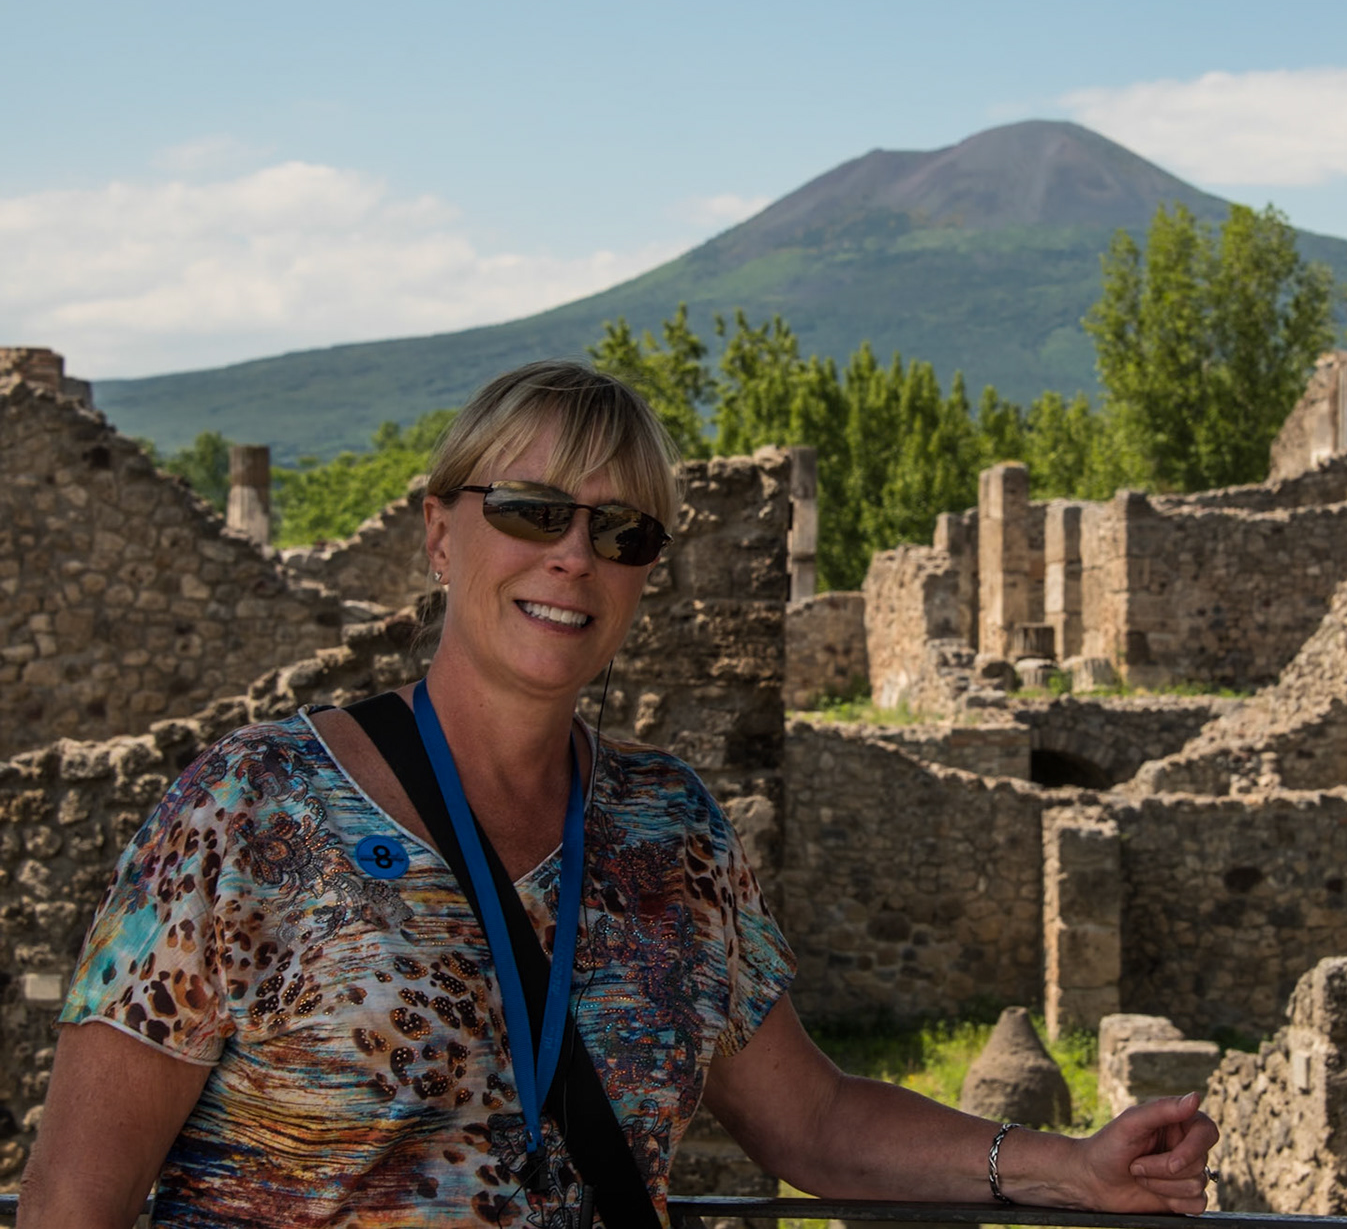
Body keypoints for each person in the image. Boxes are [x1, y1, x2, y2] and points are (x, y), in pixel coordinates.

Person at [19, 361, 1217, 1228]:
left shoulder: (669, 830)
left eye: (622, 531)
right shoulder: (250, 810)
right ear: (441, 534)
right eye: (533, 511)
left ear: (646, 576)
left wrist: (1074, 1168)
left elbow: (815, 1123)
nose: (573, 557)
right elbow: (75, 1198)